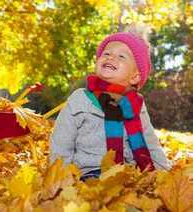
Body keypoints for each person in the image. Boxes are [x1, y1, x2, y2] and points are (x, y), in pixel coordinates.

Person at [50, 30, 171, 181]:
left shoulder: (136, 104)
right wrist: (61, 176)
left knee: (139, 193)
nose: (111, 57)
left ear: (135, 76)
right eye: (106, 54)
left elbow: (150, 143)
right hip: (90, 172)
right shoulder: (80, 98)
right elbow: (61, 140)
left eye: (121, 56)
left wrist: (164, 174)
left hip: (128, 172)